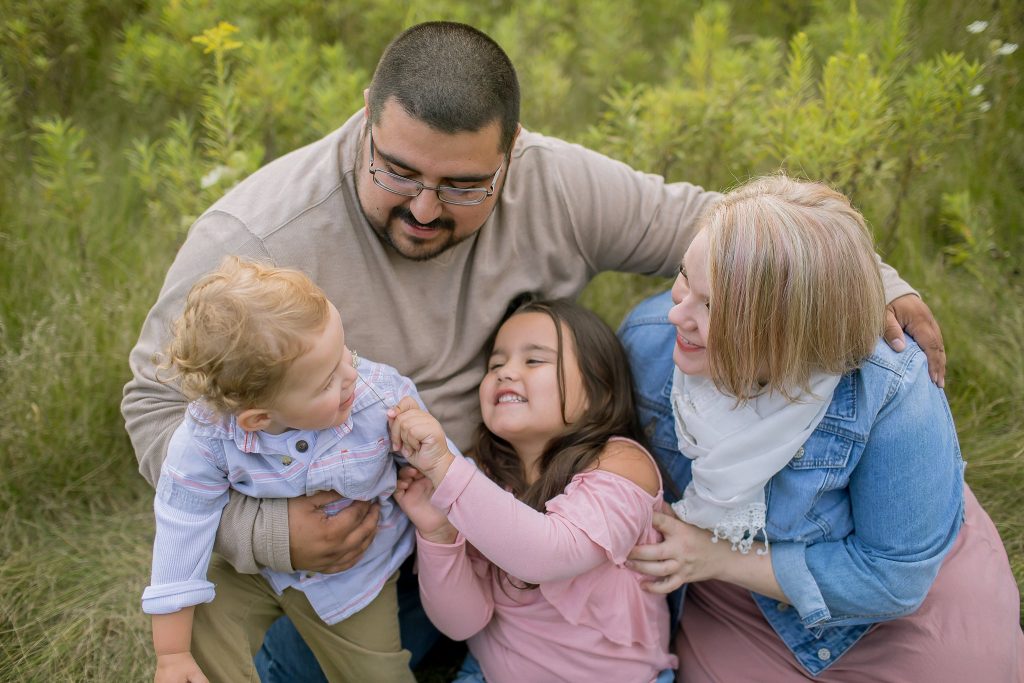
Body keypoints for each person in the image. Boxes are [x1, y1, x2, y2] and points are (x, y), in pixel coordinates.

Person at [120, 21, 947, 679]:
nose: (423, 209)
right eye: (399, 172)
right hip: (297, 496)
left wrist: (867, 279)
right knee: (224, 649)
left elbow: (709, 219)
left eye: (464, 186)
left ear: (513, 150)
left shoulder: (558, 183)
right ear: (368, 111)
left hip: (461, 520)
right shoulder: (259, 233)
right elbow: (156, 405)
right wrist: (267, 531)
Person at [619, 175, 1024, 681]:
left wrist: (714, 557)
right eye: (684, 278)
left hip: (889, 590)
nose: (677, 314)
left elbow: (893, 578)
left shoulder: (888, 387)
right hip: (740, 596)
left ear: (791, 330)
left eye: (714, 307)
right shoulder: (648, 345)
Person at [142, 257, 441, 682]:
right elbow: (182, 521)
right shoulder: (208, 437)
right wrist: (170, 652)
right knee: (201, 630)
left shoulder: (381, 398)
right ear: (259, 419)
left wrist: (427, 450)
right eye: (325, 383)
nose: (350, 375)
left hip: (351, 575)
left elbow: (444, 471)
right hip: (253, 571)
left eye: (344, 352)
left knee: (378, 673)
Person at [388, 299, 676, 683]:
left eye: (534, 361)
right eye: (495, 365)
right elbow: (462, 622)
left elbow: (549, 552)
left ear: (600, 390)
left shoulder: (622, 463)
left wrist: (445, 467)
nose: (506, 372)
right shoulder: (484, 479)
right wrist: (439, 534)